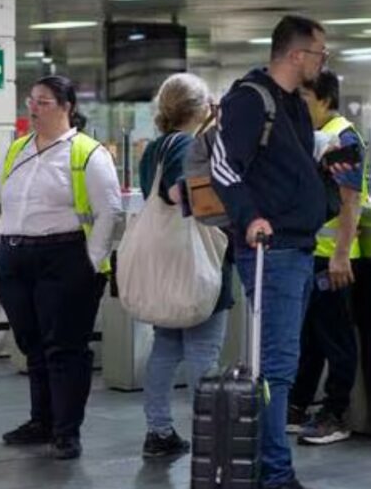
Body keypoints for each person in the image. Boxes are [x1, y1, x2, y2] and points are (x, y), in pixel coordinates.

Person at [210, 15, 332, 489]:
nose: (323, 63)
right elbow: (224, 166)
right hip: (270, 251)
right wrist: (249, 217)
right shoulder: (250, 100)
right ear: (296, 54)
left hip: (298, 249)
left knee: (283, 365)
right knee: (275, 369)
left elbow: (292, 169)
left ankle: (271, 469)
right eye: (320, 54)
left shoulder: (296, 106)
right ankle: (274, 475)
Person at [0, 75, 123, 460]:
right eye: (31, 101)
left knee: (64, 348)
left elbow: (109, 212)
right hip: (15, 258)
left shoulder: (87, 153)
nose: (33, 108)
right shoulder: (17, 150)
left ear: (67, 107)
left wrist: (90, 262)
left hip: (64, 257)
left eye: (43, 102)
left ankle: (66, 430)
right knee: (32, 344)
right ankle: (41, 421)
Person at [137, 73, 233, 459]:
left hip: (166, 264)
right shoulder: (190, 146)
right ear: (204, 106)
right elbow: (180, 193)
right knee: (203, 352)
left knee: (165, 347)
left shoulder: (153, 149)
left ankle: (158, 430)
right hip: (197, 262)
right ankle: (211, 433)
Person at [288, 69, 364, 445]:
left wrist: (340, 255)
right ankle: (298, 404)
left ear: (325, 100)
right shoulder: (311, 136)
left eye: (303, 99)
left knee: (335, 336)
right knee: (310, 336)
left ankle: (336, 412)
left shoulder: (342, 137)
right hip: (309, 252)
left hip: (330, 257)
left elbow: (352, 202)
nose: (298, 106)